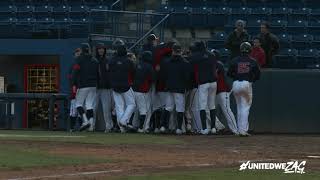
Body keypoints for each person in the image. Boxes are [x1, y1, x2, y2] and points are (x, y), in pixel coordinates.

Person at [227, 42, 261, 136]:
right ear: (250, 50)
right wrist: (251, 79)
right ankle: (243, 130)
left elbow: (229, 73)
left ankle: (239, 130)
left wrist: (236, 76)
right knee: (245, 107)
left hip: (236, 84)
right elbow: (258, 74)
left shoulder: (234, 60)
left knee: (239, 107)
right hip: (246, 83)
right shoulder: (252, 61)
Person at [161, 44, 191, 135]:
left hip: (169, 87)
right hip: (180, 88)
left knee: (168, 108)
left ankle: (163, 126)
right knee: (180, 109)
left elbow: (164, 76)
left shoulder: (167, 62)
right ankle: (178, 128)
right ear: (180, 52)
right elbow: (187, 77)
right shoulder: (185, 62)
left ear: (173, 51)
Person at [190, 41, 218, 135]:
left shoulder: (196, 55)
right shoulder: (212, 54)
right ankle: (213, 128)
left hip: (203, 83)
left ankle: (205, 128)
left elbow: (190, 62)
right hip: (213, 83)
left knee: (202, 106)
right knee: (212, 105)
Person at [108, 39, 136, 133]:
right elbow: (133, 72)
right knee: (131, 104)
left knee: (119, 106)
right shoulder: (129, 61)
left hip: (115, 86)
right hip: (126, 85)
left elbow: (109, 71)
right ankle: (123, 121)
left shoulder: (112, 60)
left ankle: (122, 128)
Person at [211, 49, 239, 135]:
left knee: (226, 110)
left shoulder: (218, 64)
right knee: (208, 110)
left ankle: (235, 130)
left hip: (223, 91)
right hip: (215, 92)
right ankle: (219, 126)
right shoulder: (213, 64)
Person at [72, 43, 99, 131]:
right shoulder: (95, 60)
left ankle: (86, 121)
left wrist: (73, 83)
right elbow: (99, 75)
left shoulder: (79, 59)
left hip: (83, 85)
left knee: (78, 104)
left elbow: (75, 72)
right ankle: (91, 126)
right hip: (93, 85)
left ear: (82, 50)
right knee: (89, 105)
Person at [132, 51, 154, 133]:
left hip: (134, 90)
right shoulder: (149, 66)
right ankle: (142, 128)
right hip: (143, 91)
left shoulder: (136, 64)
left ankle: (136, 125)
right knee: (145, 110)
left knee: (138, 109)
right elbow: (152, 79)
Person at [94, 43, 113, 133]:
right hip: (96, 88)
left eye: (102, 49)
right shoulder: (94, 60)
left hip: (106, 88)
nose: (101, 50)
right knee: (93, 108)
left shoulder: (107, 60)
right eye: (99, 49)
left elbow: (109, 74)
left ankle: (109, 127)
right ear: (97, 50)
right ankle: (91, 126)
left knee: (106, 109)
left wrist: (109, 85)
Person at [68, 48, 81, 132]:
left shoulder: (83, 63)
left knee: (81, 110)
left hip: (83, 88)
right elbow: (70, 77)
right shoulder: (73, 64)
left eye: (79, 54)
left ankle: (81, 127)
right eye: (77, 53)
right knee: (74, 110)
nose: (78, 55)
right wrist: (73, 86)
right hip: (75, 89)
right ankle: (72, 128)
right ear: (74, 55)